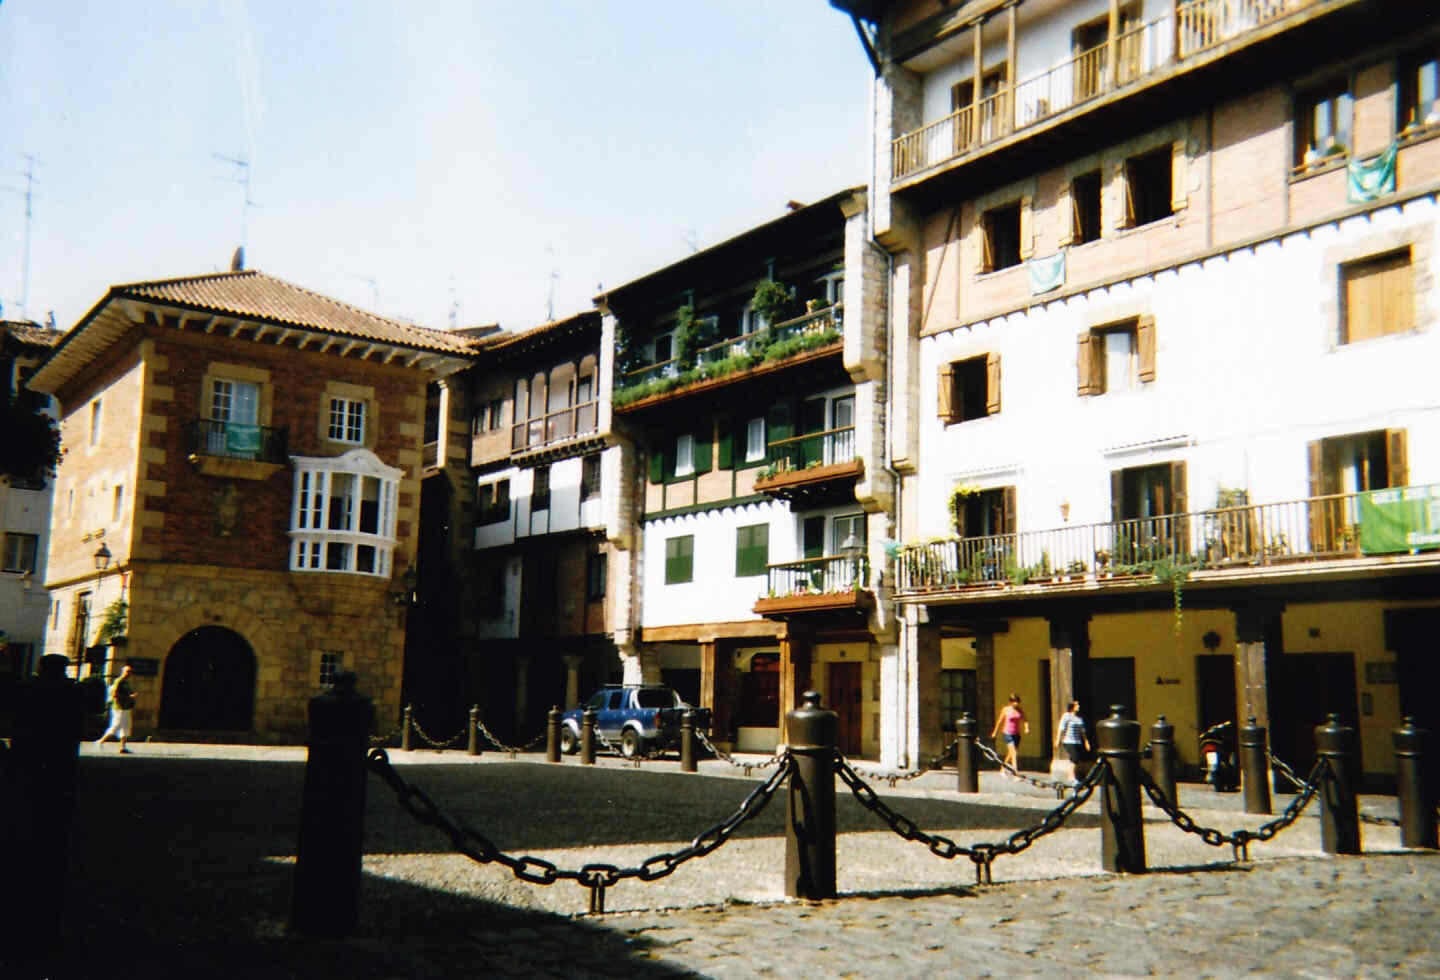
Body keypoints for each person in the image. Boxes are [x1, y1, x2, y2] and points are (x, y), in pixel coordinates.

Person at [96, 663, 136, 753]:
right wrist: (129, 697)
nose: (129, 673)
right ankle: (100, 741)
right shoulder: (119, 681)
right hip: (119, 707)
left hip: (126, 707)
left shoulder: (126, 682)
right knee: (116, 725)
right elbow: (115, 694)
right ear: (123, 672)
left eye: (130, 672)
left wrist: (130, 697)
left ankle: (122, 747)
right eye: (127, 671)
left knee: (125, 727)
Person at [990, 693, 1029, 778]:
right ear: (1010, 702)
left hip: (1017, 734)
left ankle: (1002, 768)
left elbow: (1025, 720)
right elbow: (999, 721)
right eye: (1014, 702)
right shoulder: (1006, 710)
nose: (1016, 703)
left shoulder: (1020, 710)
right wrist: (995, 732)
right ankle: (1016, 774)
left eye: (1017, 702)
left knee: (1011, 753)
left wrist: (1026, 728)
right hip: (1008, 733)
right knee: (1014, 753)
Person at [1054, 700, 1091, 783]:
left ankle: (1072, 775)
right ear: (1072, 707)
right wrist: (1058, 739)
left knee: (1074, 759)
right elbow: (1061, 728)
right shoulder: (1066, 716)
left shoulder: (1079, 718)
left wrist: (1086, 742)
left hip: (1078, 741)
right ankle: (1071, 776)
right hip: (1069, 741)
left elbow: (1083, 732)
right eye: (1077, 705)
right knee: (1075, 758)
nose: (1078, 706)